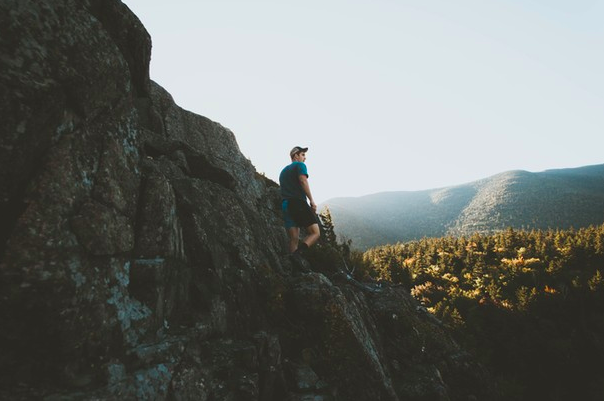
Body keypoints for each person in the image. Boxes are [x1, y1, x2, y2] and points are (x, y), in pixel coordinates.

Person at [279, 146, 320, 267]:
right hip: (297, 203)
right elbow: (303, 181)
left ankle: (294, 267)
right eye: (302, 155)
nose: (305, 158)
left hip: (286, 205)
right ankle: (297, 254)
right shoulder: (300, 166)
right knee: (315, 233)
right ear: (295, 155)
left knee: (294, 239)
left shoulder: (283, 172)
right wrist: (311, 200)